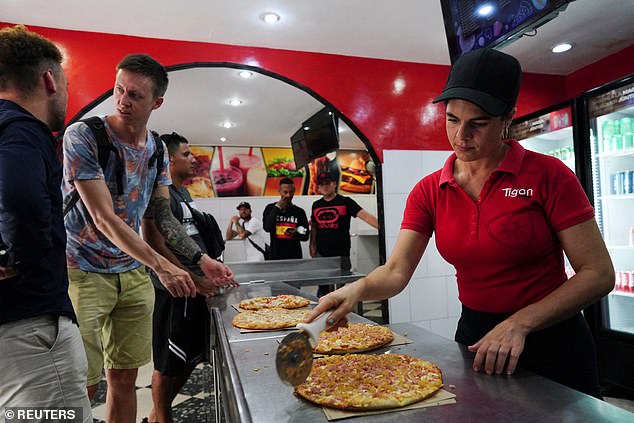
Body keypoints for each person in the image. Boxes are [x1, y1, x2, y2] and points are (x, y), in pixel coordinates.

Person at [308, 48, 615, 399]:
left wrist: (519, 323)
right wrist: (357, 290)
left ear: (508, 118)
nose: (461, 136)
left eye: (478, 123)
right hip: (478, 336)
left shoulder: (548, 175)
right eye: (452, 119)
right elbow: (395, 270)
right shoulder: (429, 190)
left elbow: (598, 272)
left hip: (553, 339)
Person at [62, 54, 232, 422]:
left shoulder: (156, 150)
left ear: (157, 102)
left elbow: (160, 220)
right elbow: (104, 218)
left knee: (124, 377)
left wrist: (201, 260)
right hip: (83, 273)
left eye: (135, 95)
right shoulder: (84, 136)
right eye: (119, 89)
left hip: (133, 275)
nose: (123, 100)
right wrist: (161, 266)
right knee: (83, 383)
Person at [0, 25, 92, 421]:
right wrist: (20, 258)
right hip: (31, 328)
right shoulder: (22, 129)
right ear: (49, 79)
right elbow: (19, 196)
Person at [141, 132, 233, 422]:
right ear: (168, 158)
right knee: (167, 363)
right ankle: (161, 418)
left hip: (194, 288)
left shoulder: (183, 193)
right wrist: (191, 279)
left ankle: (158, 414)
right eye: (186, 154)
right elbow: (155, 241)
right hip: (174, 291)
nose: (193, 159)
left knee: (187, 359)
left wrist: (206, 269)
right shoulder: (156, 193)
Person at [310, 172, 378, 296]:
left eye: (328, 183)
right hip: (321, 254)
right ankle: (323, 314)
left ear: (334, 184)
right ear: (318, 187)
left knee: (341, 291)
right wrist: (312, 247)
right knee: (323, 290)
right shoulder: (316, 205)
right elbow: (314, 228)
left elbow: (365, 216)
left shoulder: (346, 202)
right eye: (322, 184)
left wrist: (385, 229)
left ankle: (340, 314)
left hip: (341, 254)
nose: (325, 187)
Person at [263, 177, 309, 260]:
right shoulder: (270, 208)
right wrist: (277, 207)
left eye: (291, 192)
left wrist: (296, 233)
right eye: (285, 192)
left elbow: (305, 235)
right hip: (275, 256)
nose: (288, 195)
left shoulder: (299, 212)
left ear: (294, 191)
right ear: (279, 191)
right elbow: (267, 227)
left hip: (294, 256)